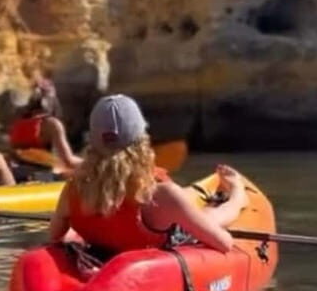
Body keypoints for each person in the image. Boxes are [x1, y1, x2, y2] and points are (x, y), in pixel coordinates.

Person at [49, 94, 249, 256]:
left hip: (106, 253)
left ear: (93, 140)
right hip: (158, 235)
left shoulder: (73, 187)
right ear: (141, 140)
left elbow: (55, 235)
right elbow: (224, 244)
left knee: (180, 199)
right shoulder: (159, 194)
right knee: (209, 215)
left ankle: (191, 197)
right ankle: (239, 196)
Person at [8, 78, 83, 170]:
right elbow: (69, 161)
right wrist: (92, 162)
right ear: (52, 100)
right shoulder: (52, 124)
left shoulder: (18, 121)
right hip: (40, 177)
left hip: (16, 172)